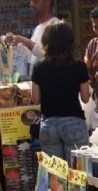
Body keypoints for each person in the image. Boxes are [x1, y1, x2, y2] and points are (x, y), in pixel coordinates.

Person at [31, 21, 91, 159]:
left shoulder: (39, 67)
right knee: (77, 172)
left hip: (49, 123)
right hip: (73, 121)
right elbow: (86, 98)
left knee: (55, 174)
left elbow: (35, 99)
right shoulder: (79, 66)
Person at [3, 0, 60, 72]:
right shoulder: (38, 28)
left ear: (47, 2)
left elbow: (47, 53)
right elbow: (31, 55)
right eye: (31, 1)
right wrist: (15, 42)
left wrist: (24, 41)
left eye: (36, 1)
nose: (31, 5)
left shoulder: (56, 26)